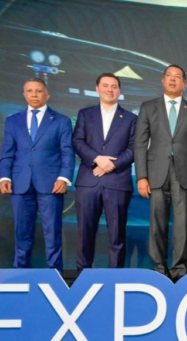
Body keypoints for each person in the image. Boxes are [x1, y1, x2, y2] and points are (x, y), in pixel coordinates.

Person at [134, 64, 187, 281]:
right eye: (169, 76)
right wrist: (142, 176)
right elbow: (140, 143)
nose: (173, 79)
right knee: (157, 223)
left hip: (185, 174)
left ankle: (179, 269)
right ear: (163, 81)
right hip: (156, 173)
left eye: (178, 77)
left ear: (185, 84)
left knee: (182, 225)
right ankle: (159, 267)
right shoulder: (148, 107)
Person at [0, 78, 74, 273]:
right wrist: (4, 177)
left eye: (38, 91)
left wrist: (63, 178)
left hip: (51, 184)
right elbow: (7, 152)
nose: (34, 94)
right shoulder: (13, 121)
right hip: (20, 183)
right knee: (22, 232)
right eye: (30, 91)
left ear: (47, 95)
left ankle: (54, 274)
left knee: (52, 232)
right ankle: (21, 273)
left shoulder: (61, 121)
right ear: (24, 94)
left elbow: (67, 153)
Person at [72, 73, 137, 273]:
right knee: (85, 233)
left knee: (117, 235)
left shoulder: (131, 118)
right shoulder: (85, 114)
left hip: (117, 182)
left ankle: (114, 278)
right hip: (88, 181)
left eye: (114, 86)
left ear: (119, 91)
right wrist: (97, 159)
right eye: (105, 85)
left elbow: (135, 148)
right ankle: (83, 276)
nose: (110, 89)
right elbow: (77, 141)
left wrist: (112, 164)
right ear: (97, 89)